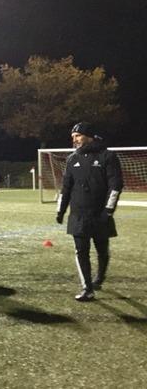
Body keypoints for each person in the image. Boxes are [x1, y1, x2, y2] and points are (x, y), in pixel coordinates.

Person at [56, 122, 123, 301]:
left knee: (102, 249)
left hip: (100, 214)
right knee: (81, 251)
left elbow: (115, 186)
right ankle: (87, 288)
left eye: (77, 136)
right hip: (78, 215)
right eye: (73, 137)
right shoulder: (72, 159)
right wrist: (60, 210)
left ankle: (99, 278)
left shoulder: (107, 156)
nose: (75, 140)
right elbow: (66, 188)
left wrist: (108, 211)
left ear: (89, 136)